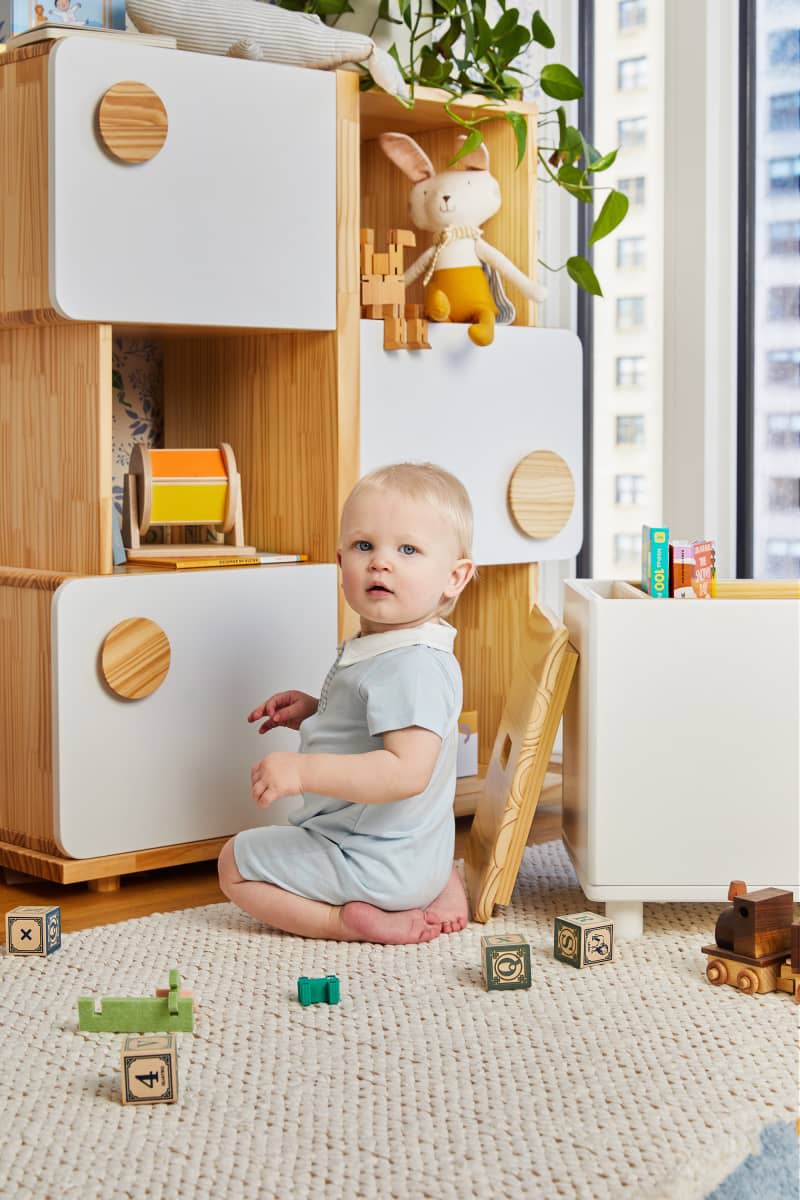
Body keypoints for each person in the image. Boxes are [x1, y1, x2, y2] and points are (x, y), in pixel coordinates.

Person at [218, 462, 476, 944]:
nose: (381, 562)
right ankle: (437, 881)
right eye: (364, 546)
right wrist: (318, 710)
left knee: (233, 863)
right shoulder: (397, 646)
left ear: (454, 577)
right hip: (413, 853)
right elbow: (371, 723)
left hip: (370, 860)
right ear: (341, 563)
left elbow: (405, 773)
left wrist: (301, 772)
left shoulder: (411, 666)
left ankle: (346, 920)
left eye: (407, 549)